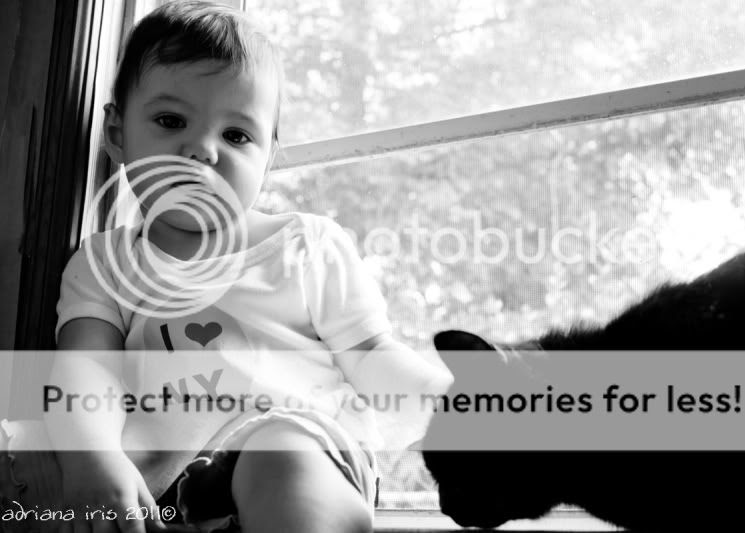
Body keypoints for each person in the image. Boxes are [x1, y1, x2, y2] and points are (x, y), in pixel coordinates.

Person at [46, 2, 452, 532]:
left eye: (236, 136)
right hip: (170, 493)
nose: (202, 150)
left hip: (300, 446)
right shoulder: (105, 263)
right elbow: (86, 370)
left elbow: (371, 355)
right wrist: (93, 457)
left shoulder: (304, 247)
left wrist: (451, 404)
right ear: (117, 134)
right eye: (171, 121)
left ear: (268, 158)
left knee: (282, 459)